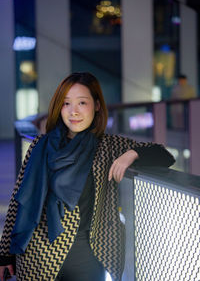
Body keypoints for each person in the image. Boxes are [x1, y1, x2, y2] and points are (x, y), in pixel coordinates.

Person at [0, 72, 175, 281]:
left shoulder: (108, 146)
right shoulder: (41, 145)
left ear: (97, 106)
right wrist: (4, 254)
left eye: (82, 102)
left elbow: (164, 155)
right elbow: (19, 202)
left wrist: (132, 154)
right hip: (37, 255)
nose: (73, 112)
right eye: (66, 104)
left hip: (89, 257)